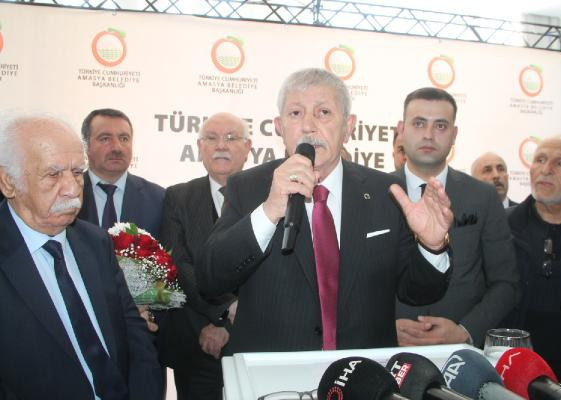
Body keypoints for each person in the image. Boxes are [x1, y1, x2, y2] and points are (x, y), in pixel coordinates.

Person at [196, 68, 454, 354]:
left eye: (324, 112)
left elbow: (417, 293)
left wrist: (432, 247)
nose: (308, 126)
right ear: (279, 126)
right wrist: (269, 211)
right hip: (273, 370)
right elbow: (210, 279)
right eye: (296, 113)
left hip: (362, 370)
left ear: (348, 126)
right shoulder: (247, 187)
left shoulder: (386, 191)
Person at [0, 113, 163, 400]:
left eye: (77, 172)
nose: (73, 189)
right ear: (8, 182)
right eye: (53, 174)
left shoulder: (96, 242)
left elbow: (134, 336)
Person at [393, 87, 520, 348]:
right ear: (401, 130)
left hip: (461, 351)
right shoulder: (374, 193)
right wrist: (383, 326)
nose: (429, 134)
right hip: (389, 347)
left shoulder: (483, 197)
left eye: (440, 125)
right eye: (419, 123)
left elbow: (506, 283)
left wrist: (466, 330)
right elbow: (355, 283)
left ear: (454, 134)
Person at [158, 113, 251, 400]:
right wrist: (223, 311)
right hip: (195, 343)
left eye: (231, 138)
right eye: (211, 138)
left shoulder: (267, 195)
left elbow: (272, 269)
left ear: (248, 148)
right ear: (200, 147)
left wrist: (231, 325)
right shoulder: (178, 197)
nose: (221, 145)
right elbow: (180, 266)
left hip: (253, 342)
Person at [505, 135, 561, 396]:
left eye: (560, 163)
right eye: (540, 160)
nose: (546, 170)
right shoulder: (503, 225)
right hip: (513, 371)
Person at [78, 108, 165, 238]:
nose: (117, 148)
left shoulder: (159, 199)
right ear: (86, 146)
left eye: (124, 139)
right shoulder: (68, 194)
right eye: (105, 139)